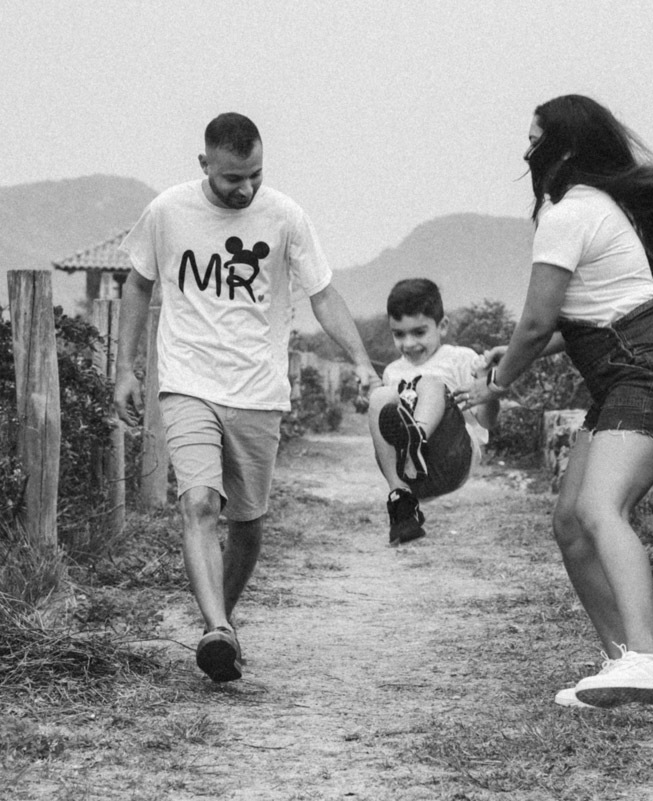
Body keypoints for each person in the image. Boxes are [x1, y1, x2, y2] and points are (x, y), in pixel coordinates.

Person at [454, 94, 653, 709]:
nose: (526, 150)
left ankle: (650, 659)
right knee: (571, 524)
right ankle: (623, 665)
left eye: (534, 137)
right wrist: (514, 354)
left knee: (602, 509)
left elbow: (537, 319)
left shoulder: (571, 213)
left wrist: (499, 383)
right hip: (631, 373)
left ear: (564, 147)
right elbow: (580, 321)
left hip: (649, 373)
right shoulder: (589, 208)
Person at [114, 112, 377, 683]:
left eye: (255, 174)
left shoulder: (285, 217)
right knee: (199, 504)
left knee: (248, 521)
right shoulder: (167, 212)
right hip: (187, 382)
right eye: (233, 177)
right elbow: (137, 283)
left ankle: (221, 625)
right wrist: (126, 369)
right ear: (204, 164)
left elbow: (323, 295)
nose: (246, 188)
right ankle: (216, 629)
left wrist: (360, 359)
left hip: (258, 389)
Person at [369, 278, 499, 545]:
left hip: (452, 459)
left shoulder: (461, 359)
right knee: (380, 396)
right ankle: (402, 502)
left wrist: (490, 387)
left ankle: (416, 438)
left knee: (430, 383)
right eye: (399, 334)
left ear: (443, 326)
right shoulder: (393, 371)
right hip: (415, 478)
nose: (409, 343)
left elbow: (487, 421)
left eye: (419, 332)